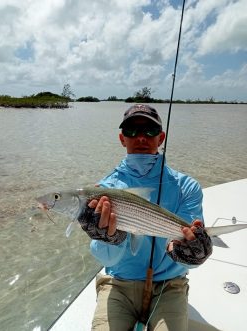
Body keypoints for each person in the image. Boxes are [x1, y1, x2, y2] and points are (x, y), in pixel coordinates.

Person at [79, 104, 212, 331]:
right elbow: (106, 260)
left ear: (161, 138)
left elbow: (182, 246)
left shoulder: (186, 187)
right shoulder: (104, 189)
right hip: (118, 284)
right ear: (122, 139)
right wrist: (110, 239)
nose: (141, 137)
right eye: (132, 131)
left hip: (170, 285)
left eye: (149, 131)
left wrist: (192, 254)